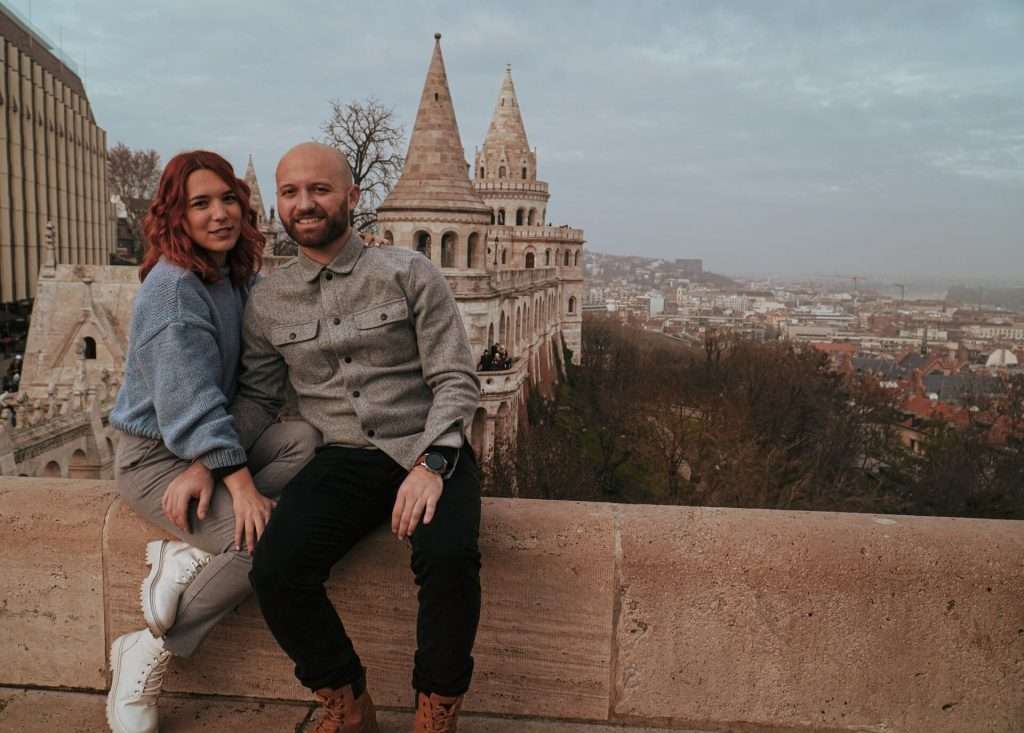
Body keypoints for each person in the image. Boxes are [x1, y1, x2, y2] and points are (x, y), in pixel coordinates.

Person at [226, 142, 482, 733]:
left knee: (448, 558)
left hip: (428, 446)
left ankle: (435, 712)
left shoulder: (409, 272)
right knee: (276, 568)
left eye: (319, 189)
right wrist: (207, 460)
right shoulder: (268, 299)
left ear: (352, 197)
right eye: (290, 192)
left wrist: (434, 463)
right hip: (342, 457)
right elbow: (259, 399)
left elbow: (454, 378)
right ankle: (346, 703)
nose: (304, 203)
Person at [105, 151, 320, 733]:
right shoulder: (174, 292)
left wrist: (207, 465)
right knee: (266, 537)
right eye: (201, 203)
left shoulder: (233, 279)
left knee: (300, 439)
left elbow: (255, 391)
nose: (220, 214)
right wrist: (241, 486)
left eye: (228, 199)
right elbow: (190, 405)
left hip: (199, 448)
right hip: (154, 458)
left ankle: (189, 553)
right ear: (177, 214)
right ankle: (148, 651)